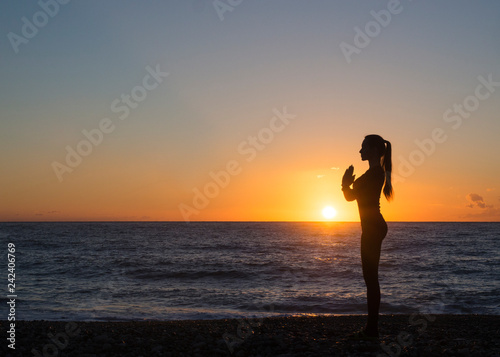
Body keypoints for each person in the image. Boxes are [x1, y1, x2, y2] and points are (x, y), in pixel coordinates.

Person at [341, 134, 393, 340]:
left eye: (363, 147)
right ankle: (371, 329)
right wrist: (345, 185)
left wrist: (346, 184)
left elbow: (352, 195)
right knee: (369, 279)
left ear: (372, 149)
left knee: (371, 279)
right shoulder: (371, 173)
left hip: (373, 228)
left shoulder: (375, 174)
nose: (360, 151)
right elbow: (350, 196)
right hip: (371, 227)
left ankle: (372, 330)